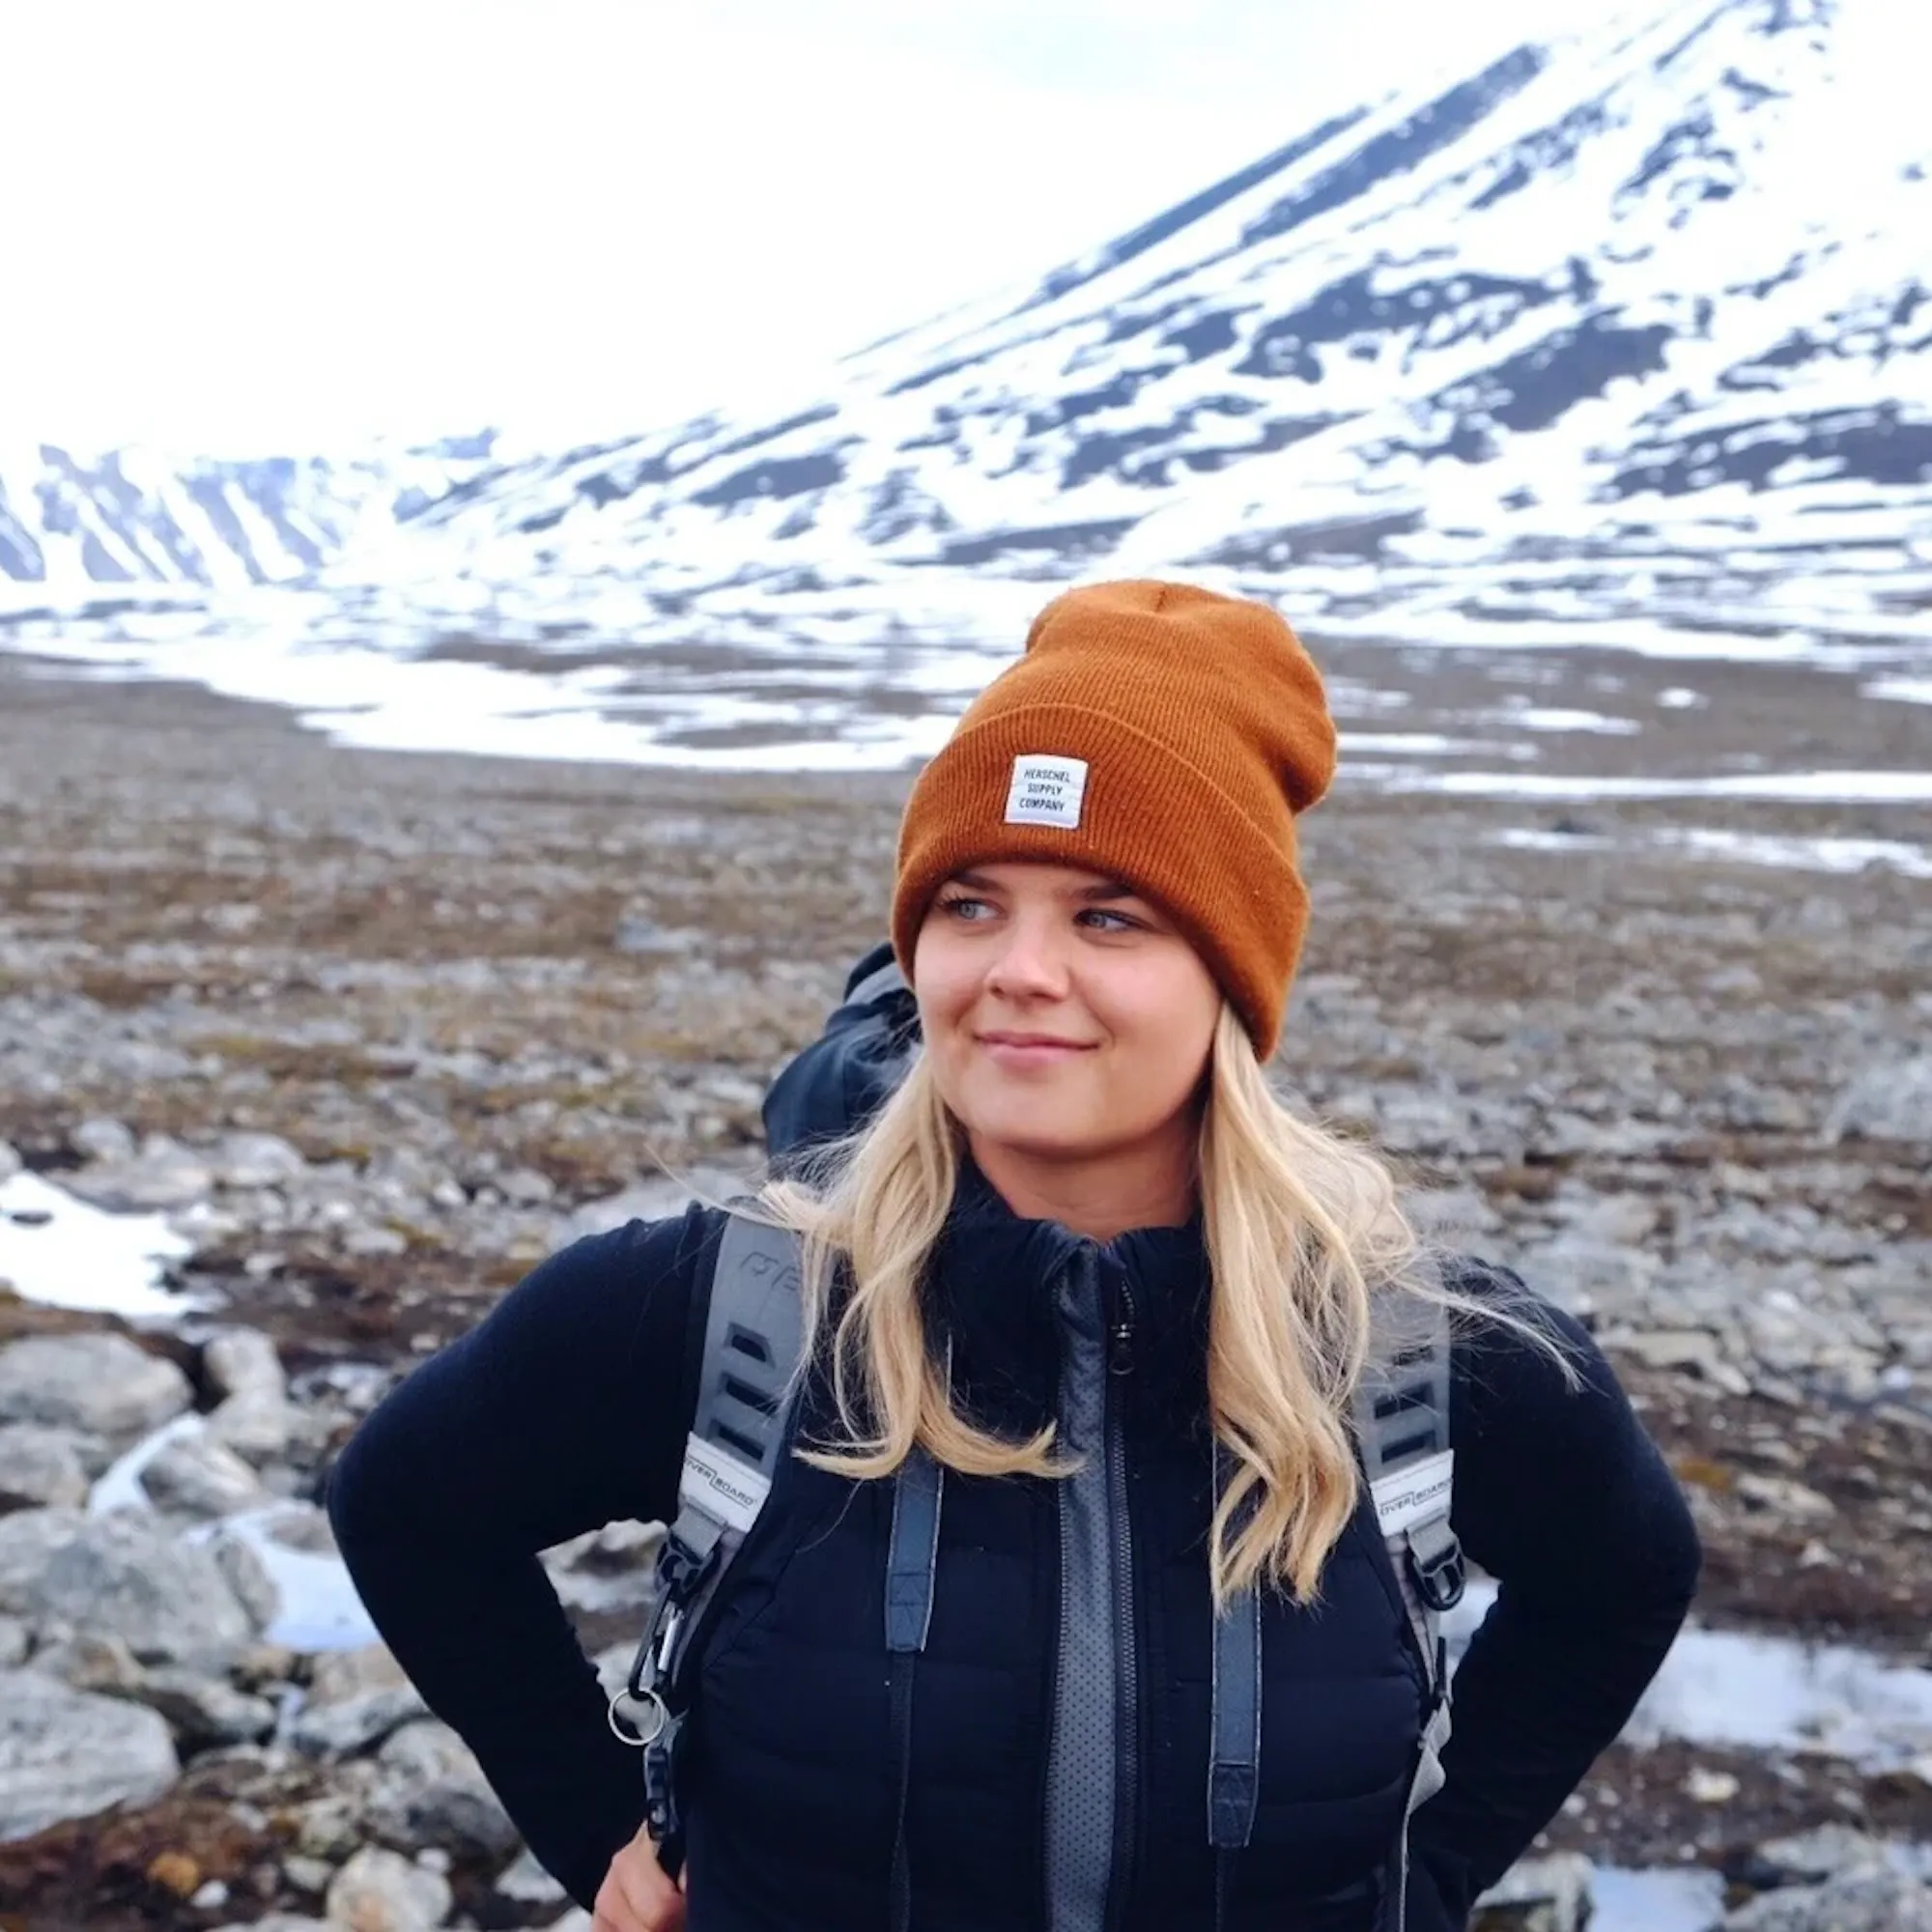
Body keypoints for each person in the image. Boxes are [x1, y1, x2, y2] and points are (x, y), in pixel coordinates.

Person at [327, 580, 1700, 1932]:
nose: (1018, 970)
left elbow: (1623, 1580)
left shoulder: (1417, 1353)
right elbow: (405, 1504)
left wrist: (1427, 1876)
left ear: (1232, 977)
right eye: (972, 905)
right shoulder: (736, 1312)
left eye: (1109, 916)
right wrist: (595, 1826)